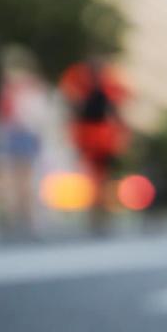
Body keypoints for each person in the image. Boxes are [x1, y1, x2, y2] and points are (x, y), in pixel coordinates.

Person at [59, 56, 129, 234]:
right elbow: (71, 104)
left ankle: (102, 212)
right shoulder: (79, 81)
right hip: (88, 136)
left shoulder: (108, 84)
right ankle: (94, 212)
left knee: (102, 178)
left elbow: (117, 108)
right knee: (92, 177)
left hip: (102, 138)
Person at [0, 48, 52, 235]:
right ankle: (24, 215)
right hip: (23, 134)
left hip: (18, 133)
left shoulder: (10, 88)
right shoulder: (30, 87)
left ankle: (22, 214)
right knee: (21, 177)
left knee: (19, 177)